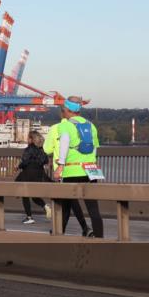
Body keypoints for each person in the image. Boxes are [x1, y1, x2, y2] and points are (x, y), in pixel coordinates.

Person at [52, 97, 103, 238]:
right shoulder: (91, 125)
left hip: (72, 170)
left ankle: (58, 237)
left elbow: (64, 145)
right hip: (91, 169)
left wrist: (60, 167)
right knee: (94, 209)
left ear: (67, 110)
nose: (63, 113)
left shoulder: (66, 125)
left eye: (63, 110)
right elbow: (94, 149)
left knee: (66, 207)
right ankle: (100, 239)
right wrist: (90, 162)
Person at [43, 115, 89, 236]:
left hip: (62, 170)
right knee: (67, 201)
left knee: (70, 200)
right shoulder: (80, 126)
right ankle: (61, 229)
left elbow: (47, 150)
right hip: (78, 168)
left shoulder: (55, 128)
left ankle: (85, 228)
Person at [17, 131, 51, 224]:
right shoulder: (41, 150)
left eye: (28, 138)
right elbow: (45, 161)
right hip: (39, 175)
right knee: (34, 195)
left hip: (28, 174)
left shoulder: (29, 149)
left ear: (31, 140)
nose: (27, 139)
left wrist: (18, 166)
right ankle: (45, 206)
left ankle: (29, 217)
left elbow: (24, 162)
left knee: (25, 195)